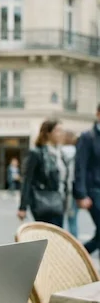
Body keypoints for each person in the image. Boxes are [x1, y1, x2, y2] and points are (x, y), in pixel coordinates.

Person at [18, 119, 68, 227]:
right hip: (42, 201)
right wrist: (23, 207)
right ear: (48, 133)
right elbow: (27, 180)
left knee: (57, 236)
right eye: (58, 130)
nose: (61, 134)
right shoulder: (36, 153)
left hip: (59, 201)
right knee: (48, 235)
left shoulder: (60, 153)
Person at [75, 103, 100, 255]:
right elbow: (80, 166)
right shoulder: (87, 137)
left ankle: (78, 256)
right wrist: (81, 194)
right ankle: (78, 256)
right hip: (94, 191)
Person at [62, 131, 79, 238]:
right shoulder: (78, 152)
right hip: (74, 190)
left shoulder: (60, 151)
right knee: (73, 220)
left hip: (61, 190)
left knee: (59, 221)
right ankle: (74, 246)